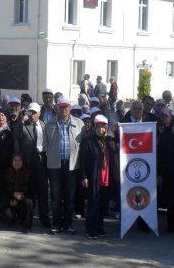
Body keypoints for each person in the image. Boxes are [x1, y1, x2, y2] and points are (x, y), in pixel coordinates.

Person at [44, 96, 84, 235]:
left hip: (72, 166)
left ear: (70, 108)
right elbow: (45, 144)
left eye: (66, 106)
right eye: (61, 106)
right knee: (55, 197)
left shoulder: (80, 124)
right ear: (57, 107)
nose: (63, 109)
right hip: (55, 165)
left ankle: (68, 224)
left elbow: (82, 144)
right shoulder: (49, 124)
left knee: (69, 197)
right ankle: (56, 224)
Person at [79, 115, 118, 239]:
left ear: (106, 127)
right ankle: (91, 229)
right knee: (93, 204)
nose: (101, 128)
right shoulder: (88, 141)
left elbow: (116, 154)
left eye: (103, 126)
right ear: (95, 126)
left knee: (103, 205)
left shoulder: (109, 141)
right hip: (94, 177)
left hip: (106, 178)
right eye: (99, 126)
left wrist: (114, 148)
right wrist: (83, 176)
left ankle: (100, 226)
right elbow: (82, 161)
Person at [14, 102, 50, 228]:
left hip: (41, 160)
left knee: (43, 192)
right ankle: (27, 220)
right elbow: (15, 135)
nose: (33, 115)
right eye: (30, 112)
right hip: (29, 162)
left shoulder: (44, 125)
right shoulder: (23, 125)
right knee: (29, 192)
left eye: (35, 112)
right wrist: (21, 121)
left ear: (39, 113)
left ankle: (44, 218)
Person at [4, 152, 33, 233]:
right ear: (11, 161)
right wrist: (13, 195)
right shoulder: (7, 173)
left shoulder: (28, 173)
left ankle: (27, 226)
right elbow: (4, 189)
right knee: (8, 217)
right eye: (15, 160)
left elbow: (32, 190)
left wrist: (22, 195)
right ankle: (13, 219)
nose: (17, 162)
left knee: (29, 203)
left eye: (19, 160)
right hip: (11, 200)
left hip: (23, 200)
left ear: (22, 161)